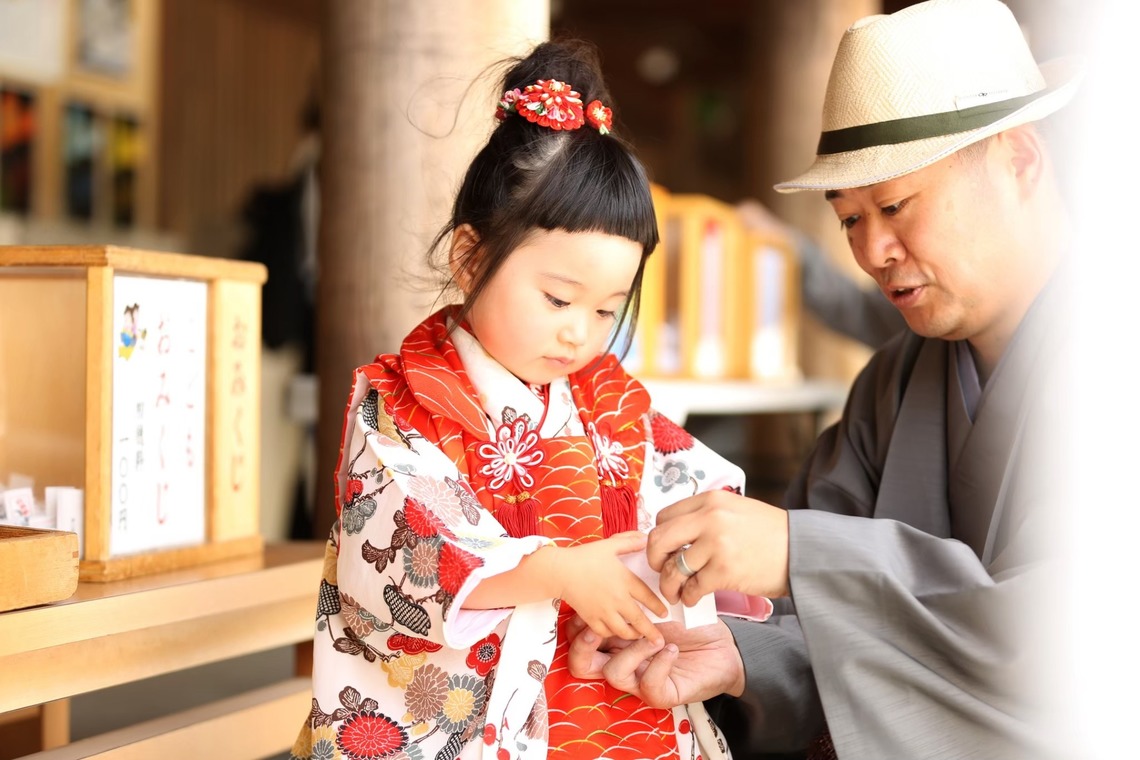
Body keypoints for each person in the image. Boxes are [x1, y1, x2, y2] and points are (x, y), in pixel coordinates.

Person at [569, 0, 1081, 758]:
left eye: (896, 205)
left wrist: (806, 553)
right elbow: (822, 629)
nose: (873, 250)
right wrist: (743, 657)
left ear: (1020, 162)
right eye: (849, 219)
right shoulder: (892, 386)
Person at [290, 39, 771, 760]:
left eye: (608, 310)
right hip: (481, 716)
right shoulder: (406, 398)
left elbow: (689, 506)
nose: (579, 333)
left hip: (602, 696)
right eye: (556, 297)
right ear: (470, 257)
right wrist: (557, 571)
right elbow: (402, 543)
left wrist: (659, 570)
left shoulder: (609, 400)